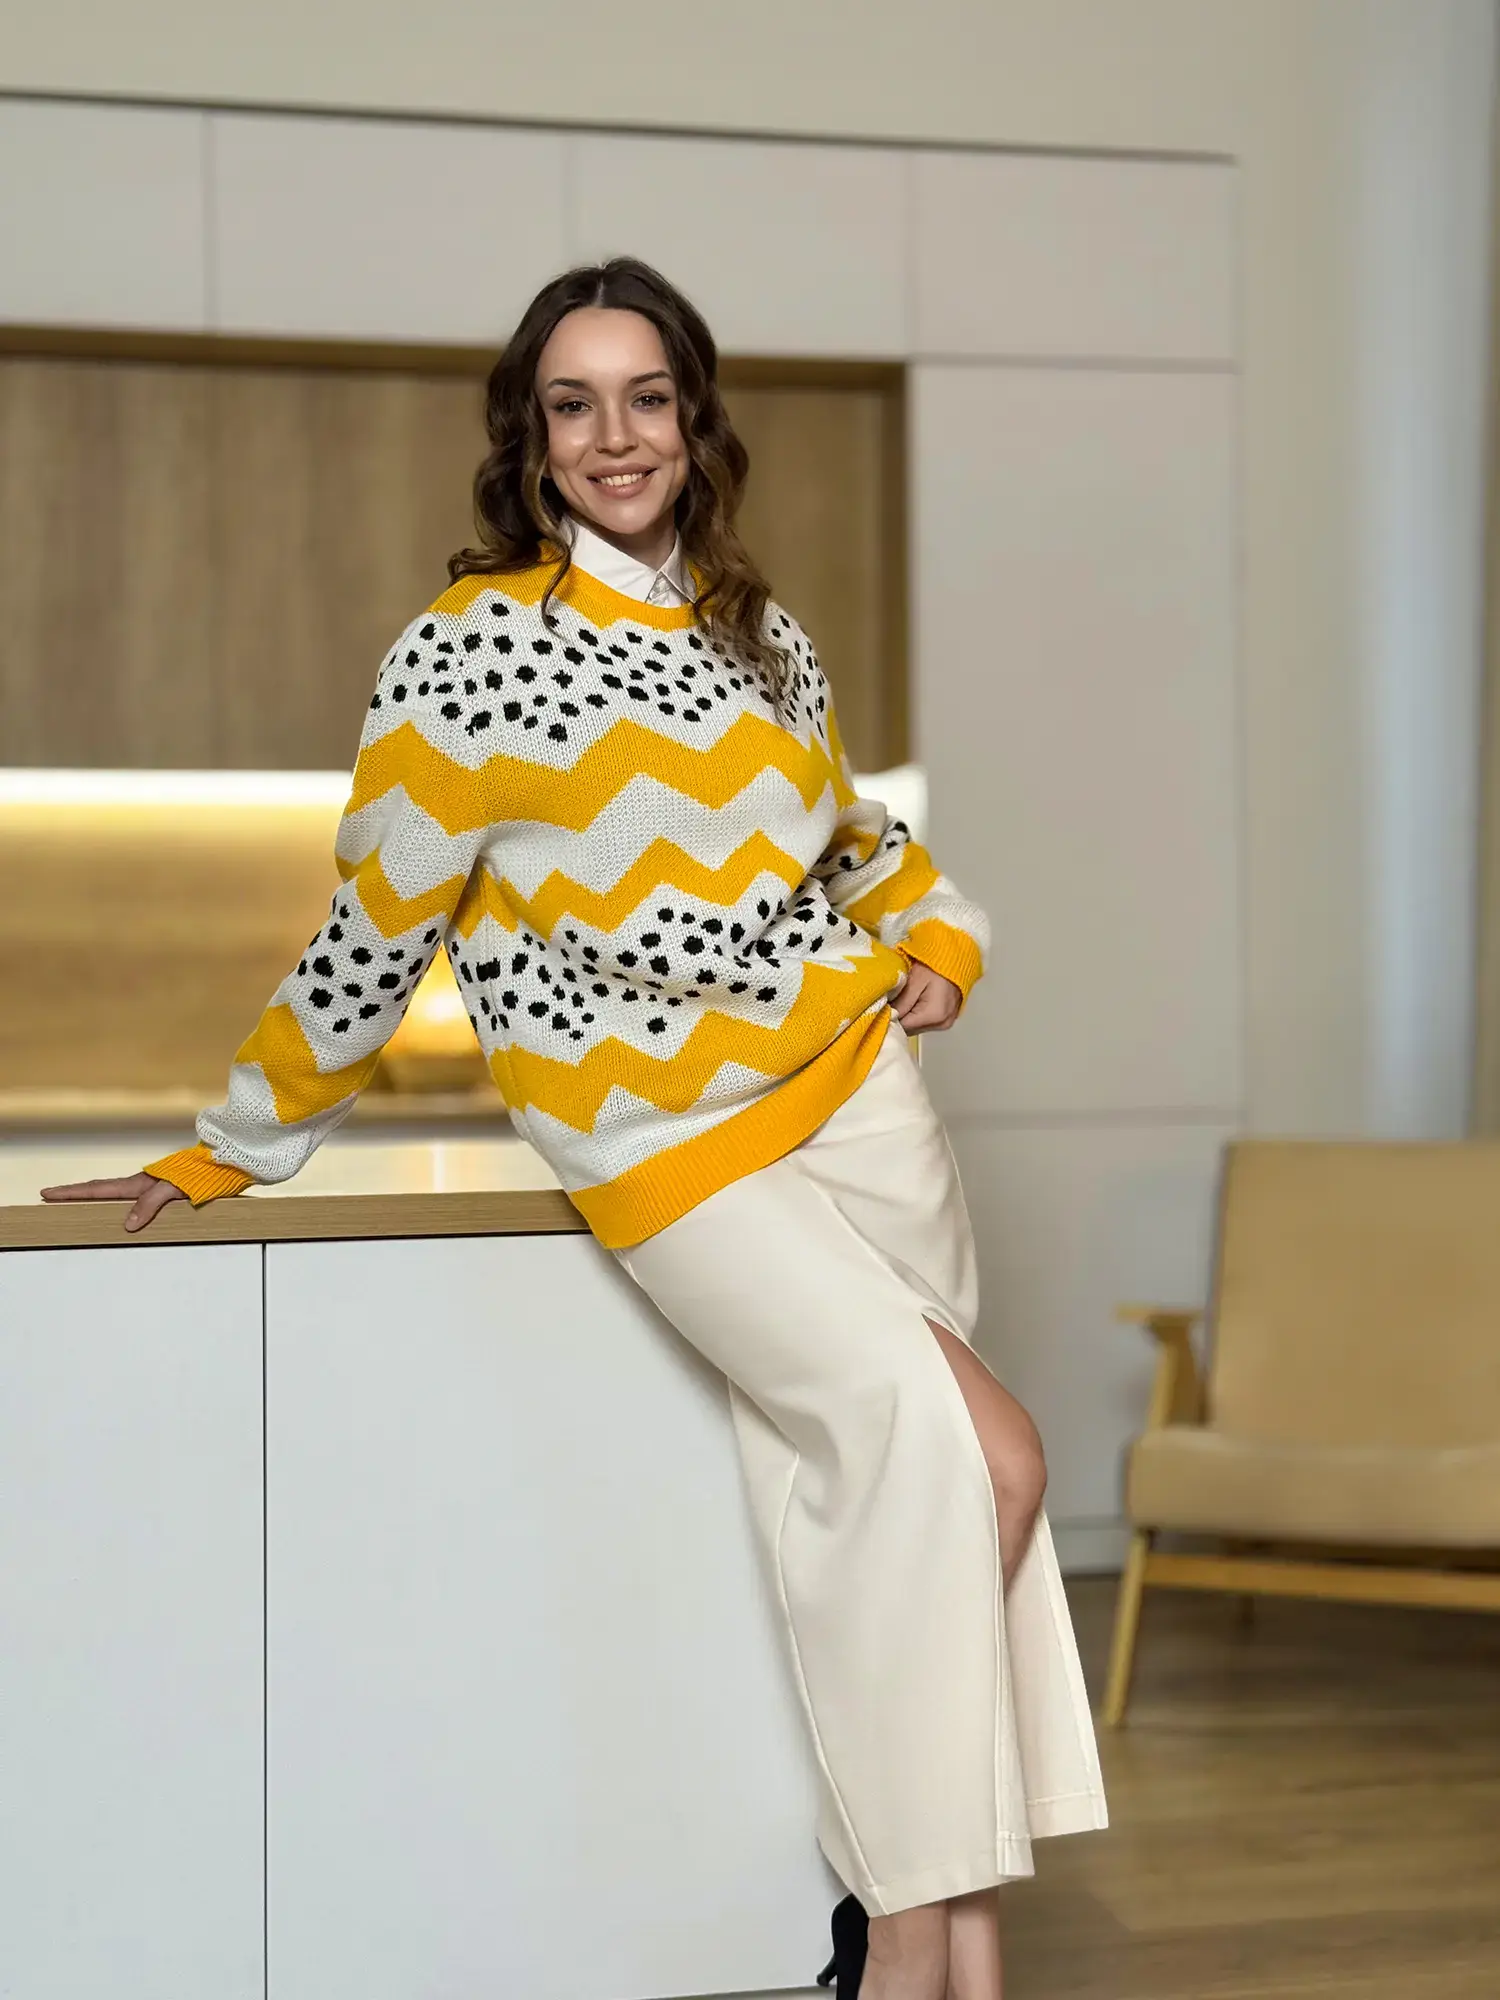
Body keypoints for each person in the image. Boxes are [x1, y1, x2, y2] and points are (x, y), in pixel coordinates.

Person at [42, 255, 1106, 1999]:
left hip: (859, 1100)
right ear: (529, 439)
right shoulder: (468, 654)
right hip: (664, 1144)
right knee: (969, 1465)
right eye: (573, 403)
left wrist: (941, 938)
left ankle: (948, 1937)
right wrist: (234, 1140)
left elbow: (856, 842)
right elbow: (374, 930)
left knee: (933, 1496)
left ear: (694, 420)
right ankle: (915, 1934)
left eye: (647, 397)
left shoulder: (762, 635)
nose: (617, 437)